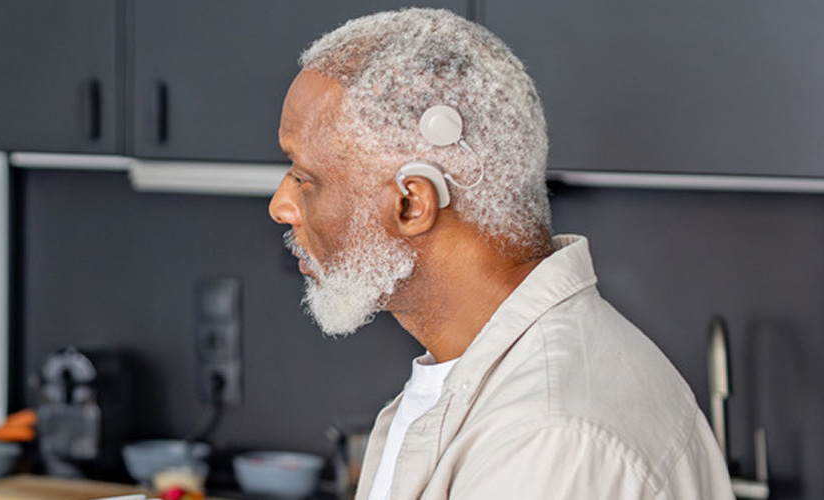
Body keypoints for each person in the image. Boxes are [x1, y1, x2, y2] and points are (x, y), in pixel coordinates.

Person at [269, 8, 731, 499]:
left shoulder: (549, 442)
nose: (281, 206)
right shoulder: (494, 389)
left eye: (304, 178)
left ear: (411, 204)